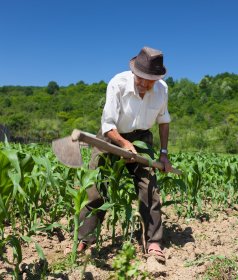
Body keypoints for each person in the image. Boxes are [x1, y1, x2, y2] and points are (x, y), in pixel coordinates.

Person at [77, 46, 172, 263]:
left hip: (143, 137)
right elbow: (108, 124)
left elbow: (164, 121)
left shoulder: (162, 90)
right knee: (97, 188)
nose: (143, 84)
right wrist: (124, 143)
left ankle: (154, 241)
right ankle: (85, 238)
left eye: (149, 80)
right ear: (134, 73)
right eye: (140, 78)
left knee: (149, 187)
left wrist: (164, 153)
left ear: (157, 79)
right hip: (112, 136)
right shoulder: (117, 84)